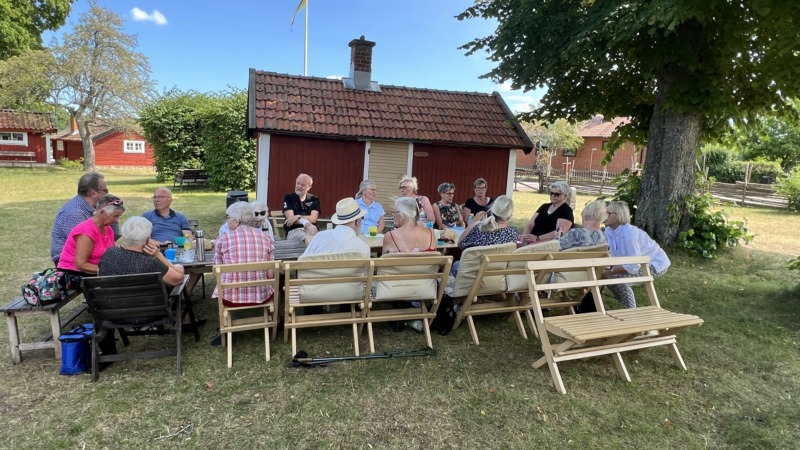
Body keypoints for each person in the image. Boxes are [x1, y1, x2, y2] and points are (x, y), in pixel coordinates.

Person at [600, 201, 670, 309]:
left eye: (608, 213)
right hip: (635, 263)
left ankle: (631, 312)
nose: (605, 216)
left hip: (654, 263)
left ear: (619, 215)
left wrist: (612, 271)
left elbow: (635, 265)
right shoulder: (609, 230)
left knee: (619, 281)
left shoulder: (629, 233)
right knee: (610, 278)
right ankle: (625, 306)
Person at [213, 201, 276, 307]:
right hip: (261, 295)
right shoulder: (266, 237)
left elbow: (217, 270)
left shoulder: (223, 239)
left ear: (236, 221)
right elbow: (270, 274)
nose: (227, 220)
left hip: (230, 298)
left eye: (228, 217)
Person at [50, 172, 119, 264]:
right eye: (105, 191)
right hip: (70, 261)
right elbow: (83, 246)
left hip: (92, 254)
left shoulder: (98, 208)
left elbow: (113, 236)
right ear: (93, 193)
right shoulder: (74, 213)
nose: (108, 194)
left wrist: (112, 215)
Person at [57, 195, 125, 278]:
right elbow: (80, 264)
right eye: (115, 216)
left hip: (93, 272)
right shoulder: (86, 231)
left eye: (118, 217)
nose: (116, 220)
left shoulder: (108, 229)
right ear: (102, 212)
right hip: (74, 274)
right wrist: (108, 271)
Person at [452, 195, 519, 276]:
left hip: (475, 275)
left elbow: (460, 243)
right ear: (510, 215)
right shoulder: (513, 232)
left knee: (456, 264)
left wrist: (473, 223)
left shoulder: (479, 228)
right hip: (498, 275)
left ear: (493, 210)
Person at [303, 198, 371, 258]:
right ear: (358, 222)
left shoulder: (320, 237)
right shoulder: (364, 249)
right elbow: (366, 272)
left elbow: (302, 262)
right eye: (362, 218)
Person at [282, 173, 320, 241]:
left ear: (309, 187)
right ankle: (312, 250)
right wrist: (304, 221)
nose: (299, 186)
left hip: (311, 228)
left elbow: (313, 218)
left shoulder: (314, 199)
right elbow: (290, 219)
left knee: (313, 230)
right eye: (298, 183)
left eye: (303, 185)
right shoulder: (289, 197)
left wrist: (298, 216)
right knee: (310, 238)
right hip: (294, 230)